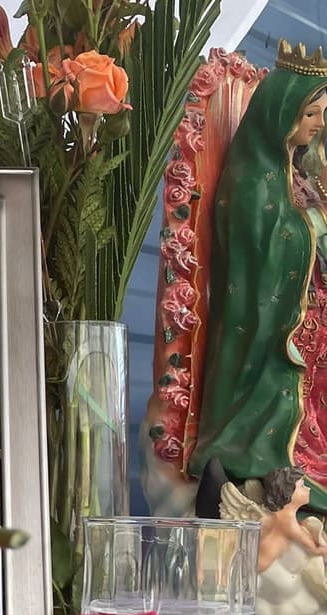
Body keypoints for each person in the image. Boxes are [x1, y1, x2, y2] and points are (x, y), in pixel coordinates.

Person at [189, 50, 327, 512]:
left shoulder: (294, 173)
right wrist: (308, 228)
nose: (317, 124)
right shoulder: (253, 179)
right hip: (268, 324)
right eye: (310, 113)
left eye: (321, 115)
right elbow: (260, 253)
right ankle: (264, 457)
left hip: (302, 307)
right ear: (280, 112)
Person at [257, 467, 327, 573]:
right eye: (302, 486)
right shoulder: (289, 521)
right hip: (261, 564)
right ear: (289, 493)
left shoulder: (277, 515)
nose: (308, 489)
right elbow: (314, 548)